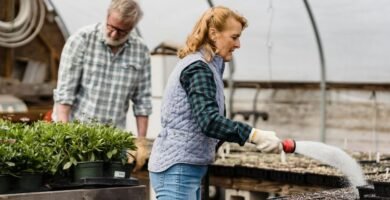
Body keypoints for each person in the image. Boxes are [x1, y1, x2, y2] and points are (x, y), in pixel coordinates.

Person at [148, 6, 282, 199]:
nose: (238, 45)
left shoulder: (208, 66)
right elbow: (209, 121)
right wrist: (254, 135)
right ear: (213, 34)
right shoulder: (198, 69)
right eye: (234, 37)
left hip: (184, 168)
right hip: (177, 170)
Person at [52, 0, 151, 171]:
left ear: (132, 28)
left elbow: (142, 101)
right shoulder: (81, 40)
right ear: (107, 16)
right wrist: (65, 137)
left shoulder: (140, 51)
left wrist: (141, 141)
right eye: (111, 27)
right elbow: (64, 96)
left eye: (121, 31)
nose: (113, 34)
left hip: (114, 141)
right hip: (78, 136)